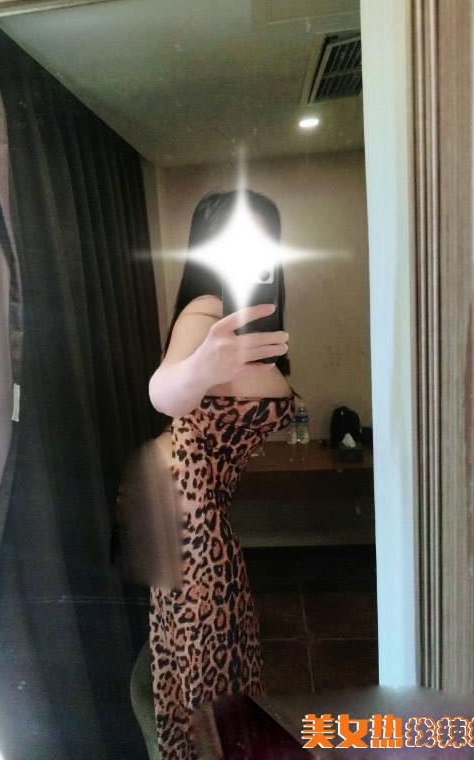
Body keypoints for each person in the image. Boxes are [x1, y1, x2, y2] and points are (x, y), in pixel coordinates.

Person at [147, 189, 295, 759]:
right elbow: (165, 392)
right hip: (191, 510)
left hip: (201, 502)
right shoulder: (205, 310)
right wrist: (197, 369)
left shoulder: (254, 320)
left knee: (215, 651)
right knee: (212, 659)